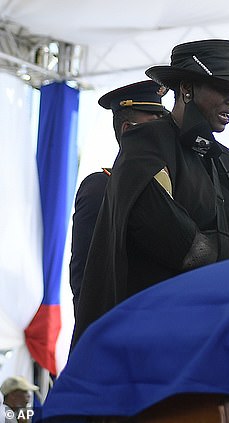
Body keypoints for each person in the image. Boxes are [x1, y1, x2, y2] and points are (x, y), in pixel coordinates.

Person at [72, 39, 229, 347]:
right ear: (187, 88)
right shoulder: (145, 147)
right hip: (151, 345)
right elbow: (188, 249)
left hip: (213, 339)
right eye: (224, 89)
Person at [69, 80, 168, 317]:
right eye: (154, 123)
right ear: (128, 129)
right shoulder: (101, 188)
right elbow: (85, 278)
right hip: (119, 329)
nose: (165, 135)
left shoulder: (169, 189)